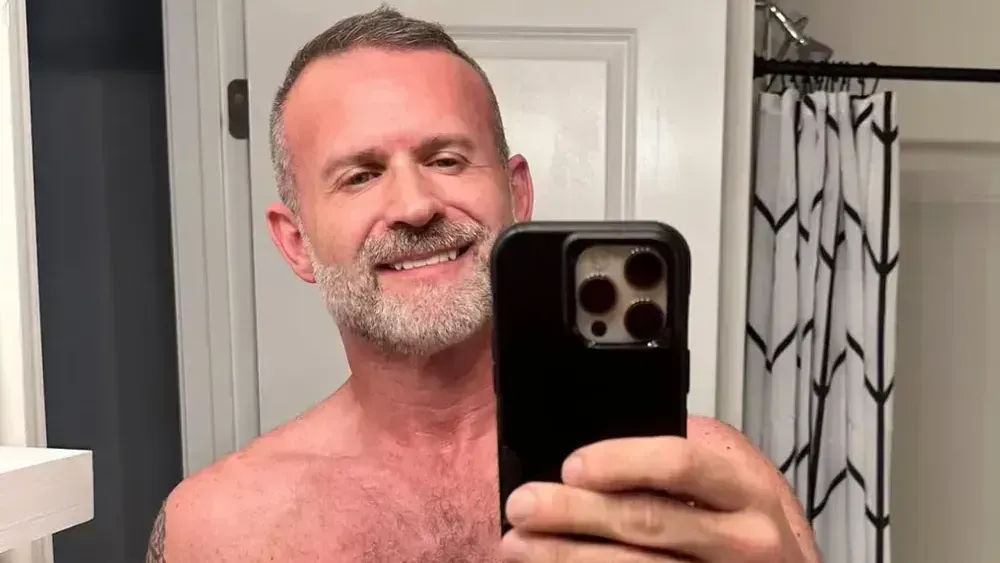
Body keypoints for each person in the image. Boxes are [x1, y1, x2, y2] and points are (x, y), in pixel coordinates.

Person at [146, 6, 820, 563]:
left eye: (446, 159)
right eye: (360, 175)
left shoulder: (710, 482)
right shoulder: (214, 529)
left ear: (517, 195)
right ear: (296, 241)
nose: (415, 206)